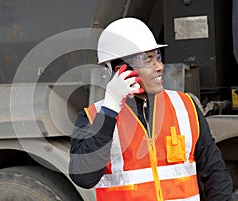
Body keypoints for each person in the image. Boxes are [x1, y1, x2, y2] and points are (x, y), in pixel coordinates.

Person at [69, 17, 233, 201]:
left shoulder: (186, 107)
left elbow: (215, 172)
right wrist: (110, 111)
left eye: (158, 57)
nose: (160, 67)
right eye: (148, 60)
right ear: (121, 71)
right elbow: (83, 177)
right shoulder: (92, 117)